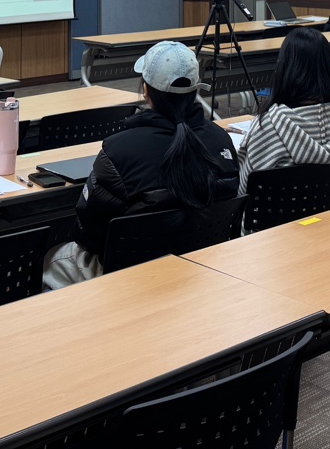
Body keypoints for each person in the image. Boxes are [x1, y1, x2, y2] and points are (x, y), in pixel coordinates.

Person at [43, 40, 239, 288]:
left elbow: (88, 231)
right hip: (200, 266)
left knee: (51, 259)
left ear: (146, 90)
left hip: (129, 276)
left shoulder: (119, 149)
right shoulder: (221, 140)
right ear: (195, 90)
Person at [238, 27, 330, 194]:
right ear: (329, 67)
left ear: (285, 67)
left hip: (278, 210)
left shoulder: (268, 124)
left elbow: (245, 188)